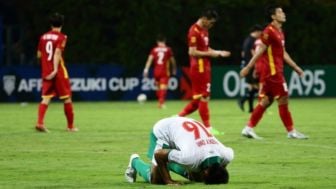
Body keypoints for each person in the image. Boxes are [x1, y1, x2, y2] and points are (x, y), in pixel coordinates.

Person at [240, 5, 307, 139]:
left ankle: (248, 128)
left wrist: (296, 67)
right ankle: (291, 131)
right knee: (283, 98)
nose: (283, 14)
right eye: (280, 12)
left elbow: (283, 53)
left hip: (275, 71)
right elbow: (260, 51)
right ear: (273, 16)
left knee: (266, 101)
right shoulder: (268, 31)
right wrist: (248, 67)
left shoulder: (280, 32)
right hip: (272, 73)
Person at [124, 116, 234, 185]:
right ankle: (134, 161)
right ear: (206, 171)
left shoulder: (227, 155)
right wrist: (168, 181)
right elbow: (159, 155)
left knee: (197, 177)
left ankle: (171, 162)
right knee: (156, 179)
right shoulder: (189, 157)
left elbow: (217, 169)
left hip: (183, 129)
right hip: (164, 130)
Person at [177, 8, 231, 135]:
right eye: (211, 22)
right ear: (204, 19)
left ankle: (177, 119)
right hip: (199, 67)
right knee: (204, 97)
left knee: (198, 101)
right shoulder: (193, 31)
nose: (212, 25)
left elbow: (205, 48)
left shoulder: (204, 30)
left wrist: (217, 52)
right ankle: (208, 129)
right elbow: (192, 52)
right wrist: (211, 54)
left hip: (205, 66)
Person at [35, 12, 78, 132]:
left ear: (50, 24)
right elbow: (57, 53)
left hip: (46, 71)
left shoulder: (43, 37)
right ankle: (70, 127)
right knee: (67, 98)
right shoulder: (62, 37)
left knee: (46, 98)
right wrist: (54, 69)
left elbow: (39, 55)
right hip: (57, 71)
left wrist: (47, 66)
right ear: (62, 24)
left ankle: (40, 122)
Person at [143, 34, 177, 109]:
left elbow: (150, 60)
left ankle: (160, 102)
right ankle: (161, 103)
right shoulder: (168, 49)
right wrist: (174, 69)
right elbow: (172, 60)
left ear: (157, 42)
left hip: (156, 71)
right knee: (163, 88)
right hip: (164, 71)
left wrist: (146, 69)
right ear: (164, 41)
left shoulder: (154, 49)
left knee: (158, 88)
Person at [238, 24, 263, 113]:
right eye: (260, 32)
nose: (261, 34)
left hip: (247, 65)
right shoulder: (254, 41)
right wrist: (255, 67)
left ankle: (251, 108)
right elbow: (255, 55)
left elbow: (243, 54)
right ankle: (243, 100)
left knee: (253, 88)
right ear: (256, 31)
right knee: (257, 88)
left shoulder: (247, 40)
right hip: (251, 67)